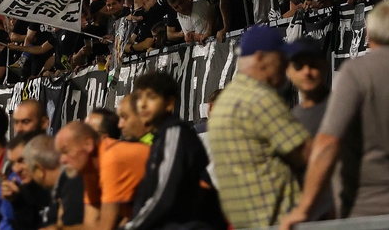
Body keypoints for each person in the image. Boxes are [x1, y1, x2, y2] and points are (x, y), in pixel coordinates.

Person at [283, 1, 389, 227]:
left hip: (364, 210)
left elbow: (328, 143)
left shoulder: (357, 73)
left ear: (368, 35)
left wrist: (304, 209)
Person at [208, 25, 312, 229]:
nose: (286, 66)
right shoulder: (258, 98)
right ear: (260, 58)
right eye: (281, 59)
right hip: (276, 220)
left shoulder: (226, 100)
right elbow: (309, 155)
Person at [124, 72, 225, 230]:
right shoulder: (161, 138)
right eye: (139, 98)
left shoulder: (175, 133)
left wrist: (131, 226)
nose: (142, 104)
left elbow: (164, 196)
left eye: (151, 97)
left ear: (169, 104)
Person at [55, 120, 149, 230]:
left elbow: (106, 228)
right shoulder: (90, 169)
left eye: (66, 151)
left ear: (88, 144)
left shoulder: (112, 158)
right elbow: (91, 225)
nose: (62, 160)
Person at [284, 40, 333, 221]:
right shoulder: (291, 119)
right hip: (305, 217)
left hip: (340, 215)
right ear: (289, 71)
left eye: (313, 64)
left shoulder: (342, 109)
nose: (307, 71)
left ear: (324, 66)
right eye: (299, 66)